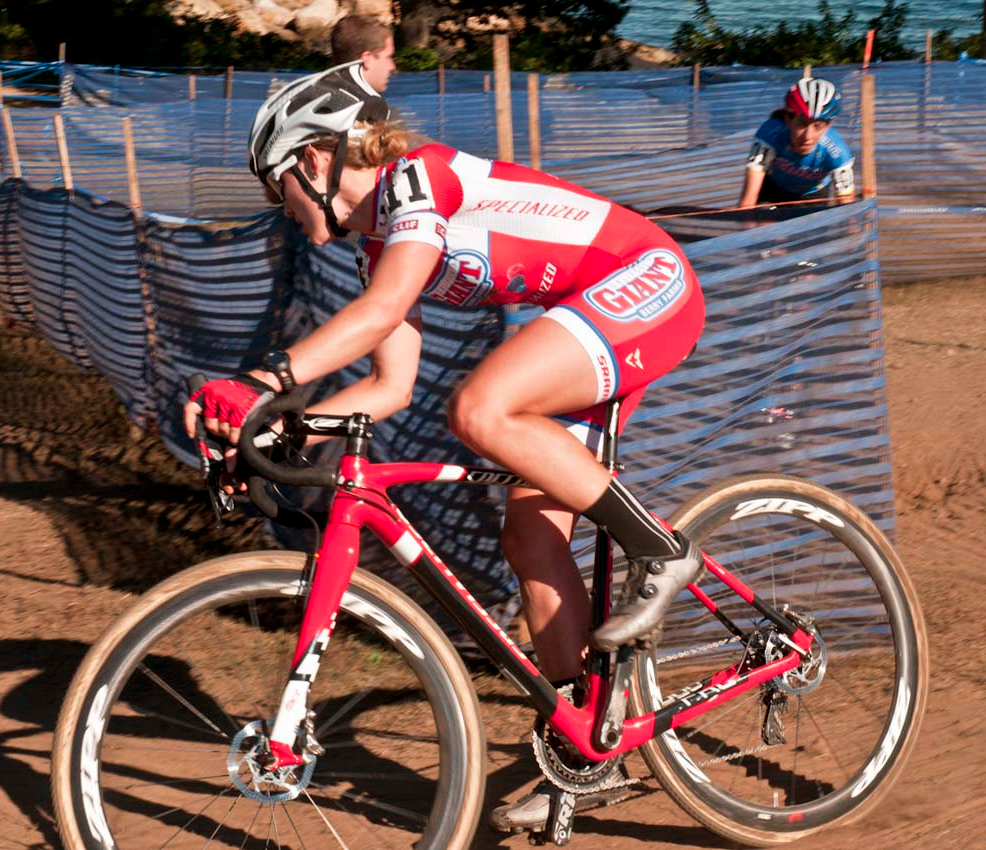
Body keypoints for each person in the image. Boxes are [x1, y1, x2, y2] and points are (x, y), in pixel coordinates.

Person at [186, 65, 707, 831]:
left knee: (480, 406)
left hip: (644, 279)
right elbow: (390, 384)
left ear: (311, 161)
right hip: (586, 315)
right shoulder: (380, 243)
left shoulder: (414, 181)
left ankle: (662, 552)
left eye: (276, 190)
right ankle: (589, 752)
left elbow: (383, 311)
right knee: (529, 536)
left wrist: (264, 379)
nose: (283, 210)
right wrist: (279, 428)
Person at [737, 76, 856, 211]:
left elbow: (848, 213)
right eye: (801, 124)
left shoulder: (837, 151)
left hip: (812, 195)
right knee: (762, 222)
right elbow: (747, 203)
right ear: (787, 119)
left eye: (818, 126)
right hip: (773, 189)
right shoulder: (770, 134)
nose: (808, 136)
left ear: (828, 126)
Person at [330, 13, 397, 93]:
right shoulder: (371, 105)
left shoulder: (316, 95)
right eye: (388, 57)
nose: (393, 67)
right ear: (367, 59)